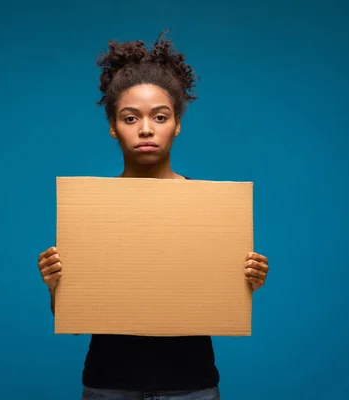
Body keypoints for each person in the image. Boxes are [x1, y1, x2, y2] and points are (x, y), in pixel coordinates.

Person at [37, 31, 270, 400]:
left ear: (177, 123)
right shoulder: (91, 212)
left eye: (159, 117)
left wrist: (244, 280)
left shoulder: (211, 212)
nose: (146, 129)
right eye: (130, 118)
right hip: (109, 383)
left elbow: (217, 297)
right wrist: (58, 289)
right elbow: (79, 319)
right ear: (113, 126)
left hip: (190, 384)